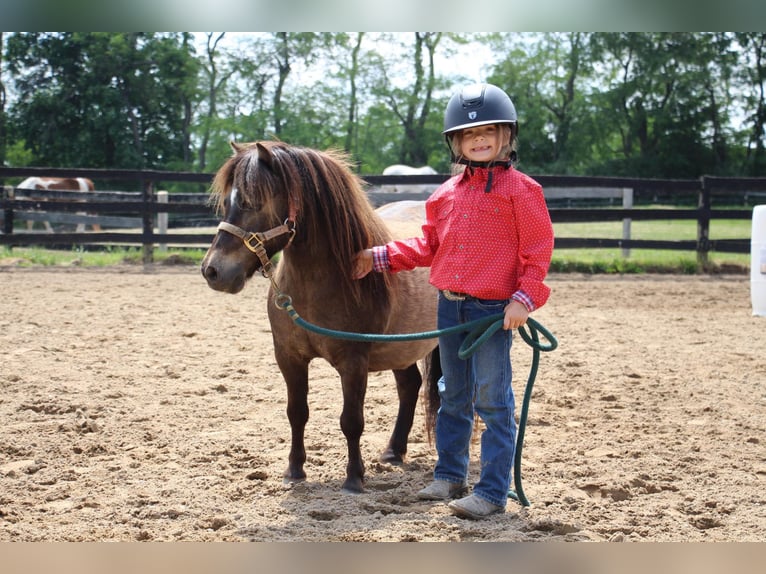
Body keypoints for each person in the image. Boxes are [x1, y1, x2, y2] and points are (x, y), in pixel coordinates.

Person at [353, 83, 554, 519]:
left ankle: (492, 492)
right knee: (451, 393)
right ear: (456, 142)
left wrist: (524, 298)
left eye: (487, 132)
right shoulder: (444, 195)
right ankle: (449, 474)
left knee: (493, 400)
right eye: (468, 134)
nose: (477, 140)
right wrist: (379, 257)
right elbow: (426, 247)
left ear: (506, 136)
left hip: (491, 313)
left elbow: (537, 253)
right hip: (450, 307)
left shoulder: (523, 191)